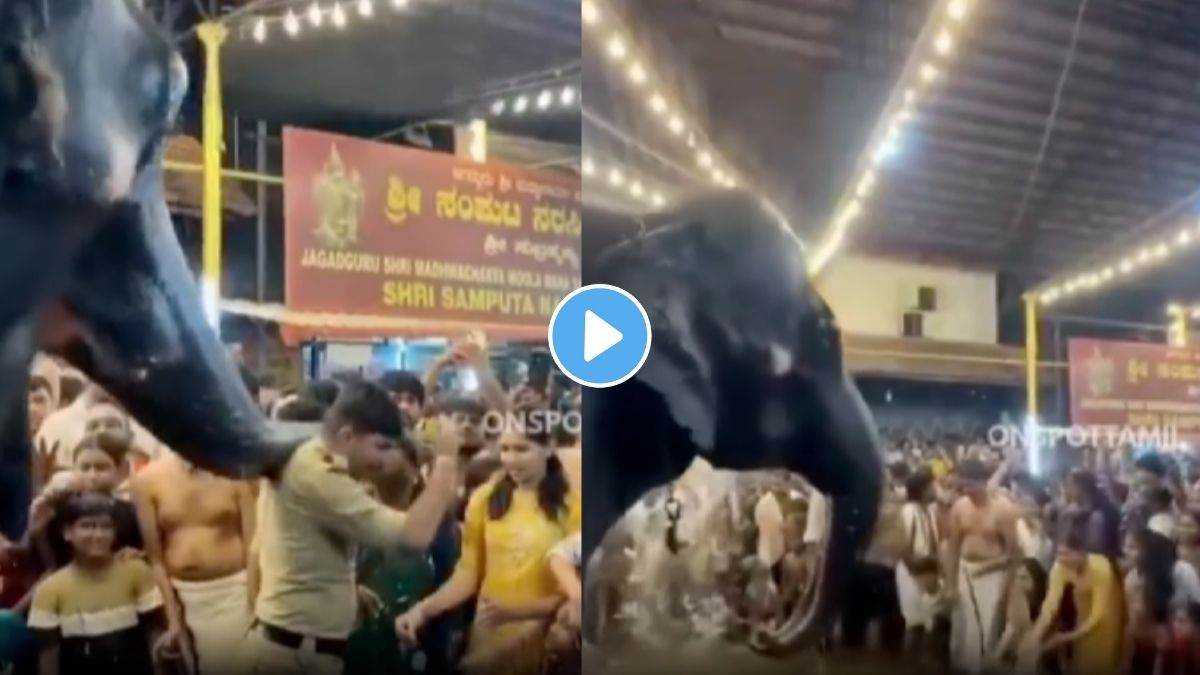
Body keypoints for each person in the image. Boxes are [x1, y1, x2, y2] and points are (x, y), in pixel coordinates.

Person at [245, 379, 460, 675]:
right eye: (380, 446)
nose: (384, 459)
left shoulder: (312, 456)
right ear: (347, 436)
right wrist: (446, 461)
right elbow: (414, 537)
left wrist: (347, 589)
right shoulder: (316, 474)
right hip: (295, 655)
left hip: (300, 647)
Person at [394, 415, 581, 675]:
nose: (510, 459)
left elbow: (572, 594)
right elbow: (468, 574)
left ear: (549, 447)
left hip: (542, 635)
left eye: (521, 449)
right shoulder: (485, 499)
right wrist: (422, 611)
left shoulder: (574, 506)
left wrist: (516, 612)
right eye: (504, 449)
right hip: (489, 627)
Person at [131, 450, 257, 675]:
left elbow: (254, 547)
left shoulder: (239, 473)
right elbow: (155, 557)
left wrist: (254, 604)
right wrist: (172, 617)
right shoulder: (147, 479)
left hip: (235, 591)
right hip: (181, 592)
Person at [27, 493, 167, 675]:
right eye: (87, 526)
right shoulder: (50, 590)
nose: (98, 534)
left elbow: (155, 637)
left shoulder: (136, 572)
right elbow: (48, 658)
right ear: (67, 533)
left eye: (106, 527)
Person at [944, 458, 1020, 675]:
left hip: (992, 575)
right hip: (964, 571)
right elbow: (953, 548)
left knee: (985, 631)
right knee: (962, 631)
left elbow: (1014, 554)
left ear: (981, 482)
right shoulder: (959, 507)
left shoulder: (1004, 510)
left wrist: (1007, 588)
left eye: (969, 485)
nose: (965, 490)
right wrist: (950, 583)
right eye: (962, 486)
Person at [1021, 515, 1123, 675]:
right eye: (1059, 553)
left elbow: (1097, 616)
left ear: (1082, 553)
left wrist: (1064, 638)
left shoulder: (1101, 569)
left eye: (1067, 554)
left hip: (1105, 619)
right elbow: (1049, 607)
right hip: (1082, 615)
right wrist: (1034, 638)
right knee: (1081, 661)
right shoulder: (1059, 568)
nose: (1061, 559)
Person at [896, 468, 941, 658]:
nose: (936, 489)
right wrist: (917, 571)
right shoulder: (909, 511)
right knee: (914, 625)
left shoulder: (928, 511)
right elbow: (902, 546)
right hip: (912, 571)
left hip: (927, 570)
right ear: (922, 489)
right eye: (932, 486)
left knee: (925, 624)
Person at [988, 558, 1048, 671]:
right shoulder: (1010, 610)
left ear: (1036, 583)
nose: (1018, 583)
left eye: (1024, 578)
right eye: (1016, 577)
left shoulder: (1044, 616)